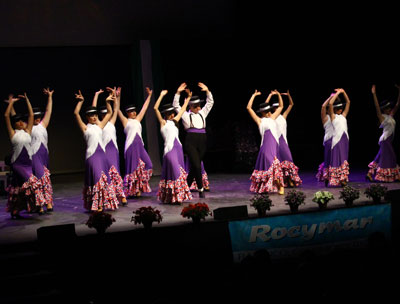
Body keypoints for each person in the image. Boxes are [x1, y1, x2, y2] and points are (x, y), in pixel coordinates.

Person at [73, 90, 119, 211]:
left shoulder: (100, 126)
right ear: (87, 117)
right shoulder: (85, 128)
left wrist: (107, 101)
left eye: (95, 115)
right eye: (91, 115)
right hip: (92, 156)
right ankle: (97, 204)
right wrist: (81, 102)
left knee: (103, 179)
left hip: (102, 156)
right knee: (96, 179)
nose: (94, 117)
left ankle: (101, 204)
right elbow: (76, 113)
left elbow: (109, 113)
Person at [4, 93, 46, 218]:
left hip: (27, 163)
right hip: (17, 164)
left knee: (19, 188)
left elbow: (31, 115)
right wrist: (11, 103)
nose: (21, 122)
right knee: (34, 183)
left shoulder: (28, 131)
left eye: (22, 120)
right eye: (18, 121)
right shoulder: (13, 133)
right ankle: (38, 206)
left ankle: (15, 211)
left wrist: (27, 100)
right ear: (15, 123)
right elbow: (6, 115)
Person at [172, 82, 214, 198]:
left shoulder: (202, 113)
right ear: (190, 106)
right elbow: (176, 106)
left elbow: (210, 103)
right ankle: (200, 189)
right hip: (191, 141)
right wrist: (178, 93)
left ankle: (186, 185)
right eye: (196, 106)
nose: (199, 108)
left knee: (195, 166)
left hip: (202, 141)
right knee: (197, 165)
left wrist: (207, 91)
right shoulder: (185, 115)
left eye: (199, 105)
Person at [154, 89, 192, 204]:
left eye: (173, 113)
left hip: (178, 149)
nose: (173, 114)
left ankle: (174, 197)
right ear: (166, 114)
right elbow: (155, 108)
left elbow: (183, 109)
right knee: (175, 172)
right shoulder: (163, 122)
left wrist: (188, 98)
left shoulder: (175, 121)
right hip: (169, 151)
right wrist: (161, 95)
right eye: (170, 113)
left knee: (178, 172)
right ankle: (176, 196)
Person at [92, 87, 127, 206]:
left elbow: (115, 109)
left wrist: (117, 96)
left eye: (104, 114)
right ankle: (109, 196)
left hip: (114, 150)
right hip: (104, 151)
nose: (103, 116)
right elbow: (93, 110)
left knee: (116, 172)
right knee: (107, 173)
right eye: (101, 114)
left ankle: (121, 195)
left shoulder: (112, 122)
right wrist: (96, 95)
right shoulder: (98, 124)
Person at [117, 87, 153, 198]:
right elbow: (117, 110)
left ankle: (139, 186)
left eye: (134, 111)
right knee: (133, 169)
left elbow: (144, 108)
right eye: (131, 111)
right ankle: (134, 190)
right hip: (131, 147)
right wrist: (118, 97)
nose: (134, 112)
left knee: (149, 165)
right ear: (127, 113)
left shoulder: (138, 120)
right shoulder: (125, 121)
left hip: (140, 146)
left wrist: (149, 96)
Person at [247, 90, 284, 195]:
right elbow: (249, 108)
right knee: (266, 163)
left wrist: (278, 95)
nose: (268, 112)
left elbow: (281, 106)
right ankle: (266, 186)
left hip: (273, 144)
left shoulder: (273, 118)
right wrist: (253, 95)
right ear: (264, 112)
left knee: (273, 163)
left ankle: (280, 186)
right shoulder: (260, 120)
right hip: (264, 145)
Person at [367, 84, 400, 182]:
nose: (389, 109)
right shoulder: (382, 117)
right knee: (391, 157)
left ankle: (369, 173)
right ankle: (385, 176)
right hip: (385, 140)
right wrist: (374, 94)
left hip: (388, 140)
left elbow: (398, 104)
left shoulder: (391, 115)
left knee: (379, 157)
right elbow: (377, 106)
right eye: (387, 108)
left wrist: (399, 91)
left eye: (390, 107)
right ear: (384, 109)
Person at [271, 90, 302, 187]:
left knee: (288, 161)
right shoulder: (271, 117)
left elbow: (291, 105)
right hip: (275, 142)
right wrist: (270, 95)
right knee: (279, 163)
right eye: (275, 107)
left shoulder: (283, 116)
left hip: (283, 141)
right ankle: (282, 182)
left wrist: (288, 96)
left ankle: (290, 180)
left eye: (277, 107)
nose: (276, 108)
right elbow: (266, 105)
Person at [30, 88, 54, 212]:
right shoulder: (28, 128)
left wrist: (49, 97)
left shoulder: (43, 125)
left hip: (44, 155)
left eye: (39, 116)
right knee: (40, 178)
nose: (38, 118)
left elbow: (48, 111)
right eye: (35, 117)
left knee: (45, 178)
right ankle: (40, 205)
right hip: (34, 155)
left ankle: (48, 202)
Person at [327, 88, 350, 186]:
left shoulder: (343, 116)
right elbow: (331, 104)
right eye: (339, 108)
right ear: (335, 109)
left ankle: (343, 178)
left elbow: (348, 102)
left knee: (344, 159)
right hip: (336, 140)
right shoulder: (333, 116)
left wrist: (343, 92)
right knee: (337, 158)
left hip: (345, 140)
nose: (341, 109)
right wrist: (336, 95)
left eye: (341, 108)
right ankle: (336, 179)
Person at [316, 94, 335, 185]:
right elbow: (323, 106)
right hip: (328, 140)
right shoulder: (325, 117)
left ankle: (336, 176)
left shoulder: (336, 117)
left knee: (335, 158)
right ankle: (327, 176)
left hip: (337, 140)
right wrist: (330, 97)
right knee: (328, 159)